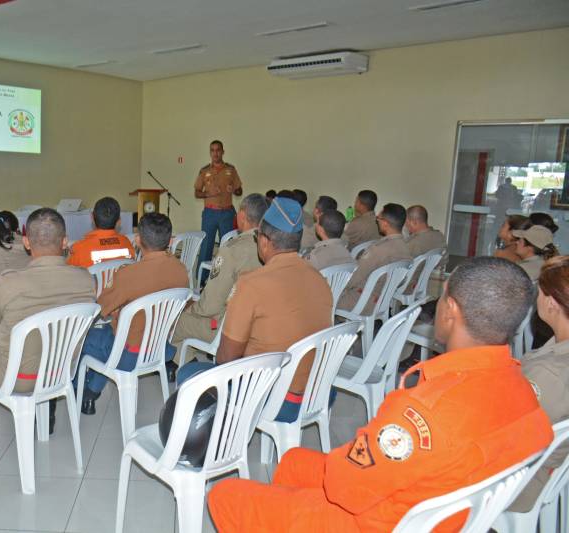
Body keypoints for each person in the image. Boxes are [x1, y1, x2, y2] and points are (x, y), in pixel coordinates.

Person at [208, 257, 553, 533]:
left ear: (450, 310)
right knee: (292, 462)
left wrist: (351, 457)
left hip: (379, 520)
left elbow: (346, 488)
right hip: (441, 507)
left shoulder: (421, 412)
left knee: (226, 495)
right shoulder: (524, 391)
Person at [0, 208, 96, 452]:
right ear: (65, 241)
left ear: (26, 242)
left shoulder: (9, 283)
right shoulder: (86, 279)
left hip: (19, 377)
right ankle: (48, 415)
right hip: (60, 371)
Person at [176, 197, 332, 422]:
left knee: (189, 375)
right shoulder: (320, 281)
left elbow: (225, 359)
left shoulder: (252, 284)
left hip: (270, 398)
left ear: (265, 241)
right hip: (315, 394)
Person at [76, 213, 188, 415]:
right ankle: (91, 393)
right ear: (170, 240)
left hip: (129, 354)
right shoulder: (181, 270)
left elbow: (100, 309)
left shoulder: (128, 275)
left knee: (82, 339)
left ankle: (85, 394)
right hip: (160, 348)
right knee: (108, 340)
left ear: (138, 240)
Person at [168, 194, 268, 376]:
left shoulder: (231, 251)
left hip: (227, 327)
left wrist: (189, 308)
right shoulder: (270, 247)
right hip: (258, 325)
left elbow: (209, 306)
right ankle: (187, 361)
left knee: (173, 320)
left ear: (242, 215)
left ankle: (188, 368)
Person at [510, 256, 569, 512]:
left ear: (552, 303)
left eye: (540, 292)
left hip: (525, 477)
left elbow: (513, 438)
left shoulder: (550, 373)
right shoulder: (558, 346)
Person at [338, 203, 412, 312]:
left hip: (362, 302)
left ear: (386, 223)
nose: (377, 221)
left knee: (324, 297)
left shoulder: (378, 249)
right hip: (383, 300)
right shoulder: (406, 247)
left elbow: (354, 278)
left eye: (379, 218)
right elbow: (402, 280)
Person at [195, 140, 243, 283]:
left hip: (226, 214)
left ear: (223, 151)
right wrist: (208, 194)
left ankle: (226, 279)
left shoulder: (231, 170)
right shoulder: (204, 171)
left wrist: (234, 190)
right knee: (206, 247)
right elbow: (197, 193)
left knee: (228, 247)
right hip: (210, 214)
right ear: (210, 152)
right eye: (212, 150)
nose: (215, 153)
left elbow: (240, 191)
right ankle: (201, 281)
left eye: (218, 150)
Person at [67, 197, 135, 268]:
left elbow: (69, 274)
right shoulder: (127, 243)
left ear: (92, 217)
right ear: (119, 221)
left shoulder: (78, 249)